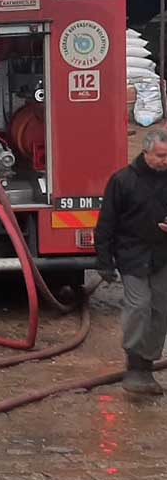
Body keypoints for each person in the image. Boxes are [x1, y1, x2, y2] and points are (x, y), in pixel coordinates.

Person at [95, 128, 167, 395]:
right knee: (139, 307)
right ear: (146, 152)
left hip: (162, 257)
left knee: (161, 310)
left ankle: (147, 364)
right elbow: (106, 223)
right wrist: (104, 261)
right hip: (132, 255)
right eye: (160, 156)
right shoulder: (123, 181)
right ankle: (135, 366)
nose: (164, 161)